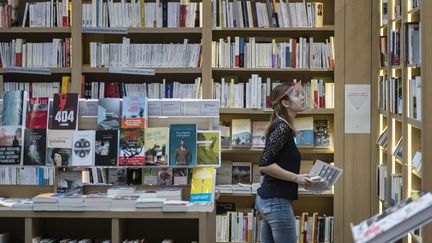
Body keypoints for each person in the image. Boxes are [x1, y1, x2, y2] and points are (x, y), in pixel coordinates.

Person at [255, 82, 318, 243]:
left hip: (268, 199)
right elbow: (265, 164)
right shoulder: (282, 128)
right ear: (285, 103)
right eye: (297, 95)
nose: (303, 97)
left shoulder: (283, 127)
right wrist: (296, 178)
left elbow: (273, 163)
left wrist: (298, 177)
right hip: (276, 202)